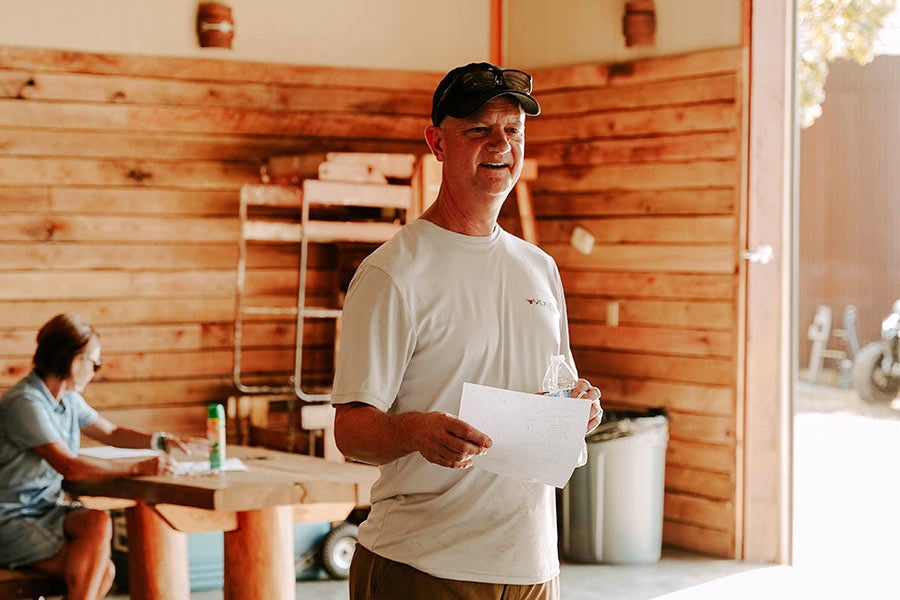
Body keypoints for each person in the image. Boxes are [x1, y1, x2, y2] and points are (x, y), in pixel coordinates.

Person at [331, 62, 603, 600]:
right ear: (437, 141)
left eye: (513, 130)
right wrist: (415, 430)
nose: (500, 143)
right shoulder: (393, 272)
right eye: (478, 129)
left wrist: (578, 407)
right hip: (423, 565)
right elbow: (350, 432)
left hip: (531, 567)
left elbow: (555, 388)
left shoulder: (539, 267)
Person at [0, 314, 195, 599]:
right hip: (10, 519)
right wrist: (138, 467)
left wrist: (163, 441)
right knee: (102, 572)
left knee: (97, 524)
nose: (96, 371)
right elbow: (69, 466)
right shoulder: (25, 403)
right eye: (95, 363)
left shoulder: (67, 398)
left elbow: (113, 433)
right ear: (75, 360)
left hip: (44, 510)